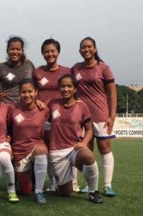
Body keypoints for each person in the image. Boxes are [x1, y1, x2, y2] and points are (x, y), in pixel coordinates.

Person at [71, 37, 117, 197]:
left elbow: (112, 93)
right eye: (83, 47)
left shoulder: (103, 68)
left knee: (104, 148)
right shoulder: (76, 69)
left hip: (101, 115)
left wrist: (112, 115)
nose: (86, 50)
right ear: (79, 50)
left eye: (89, 47)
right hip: (82, 117)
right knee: (86, 151)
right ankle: (90, 184)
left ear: (95, 48)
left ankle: (107, 185)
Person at [48, 74, 103, 204]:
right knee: (66, 193)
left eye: (69, 86)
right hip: (57, 152)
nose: (66, 89)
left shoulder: (82, 106)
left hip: (74, 148)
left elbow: (89, 130)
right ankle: (67, 181)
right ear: (59, 88)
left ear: (74, 89)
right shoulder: (52, 104)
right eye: (63, 86)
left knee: (88, 155)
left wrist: (84, 142)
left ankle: (93, 191)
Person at [33, 38, 72, 192]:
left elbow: (73, 91)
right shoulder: (37, 72)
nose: (50, 54)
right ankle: (53, 182)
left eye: (52, 51)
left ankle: (70, 181)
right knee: (47, 151)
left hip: (62, 118)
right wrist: (37, 100)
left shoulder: (67, 71)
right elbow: (31, 90)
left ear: (58, 52)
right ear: (42, 53)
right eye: (46, 51)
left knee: (65, 149)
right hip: (43, 118)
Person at [8, 79, 49, 204]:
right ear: (19, 93)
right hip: (19, 151)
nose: (27, 95)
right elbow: (7, 127)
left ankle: (39, 191)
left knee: (41, 151)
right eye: (23, 92)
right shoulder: (12, 108)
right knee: (26, 191)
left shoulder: (44, 109)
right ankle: (22, 179)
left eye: (30, 91)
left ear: (36, 92)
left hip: (36, 147)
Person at [0, 36, 34, 104]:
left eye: (18, 49)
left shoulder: (29, 65)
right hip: (6, 106)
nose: (15, 52)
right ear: (7, 50)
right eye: (12, 49)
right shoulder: (1, 68)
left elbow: (35, 85)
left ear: (22, 51)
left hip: (25, 107)